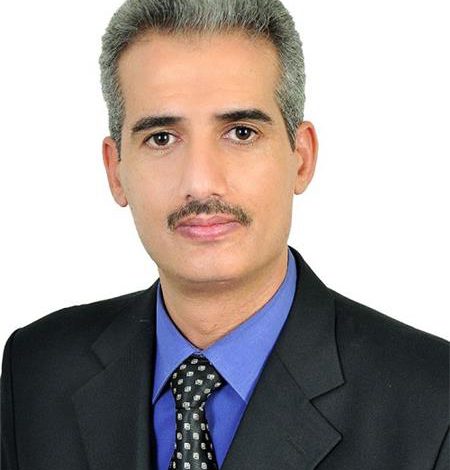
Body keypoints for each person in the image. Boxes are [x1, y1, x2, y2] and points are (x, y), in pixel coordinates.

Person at [1, 0, 448, 468]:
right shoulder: (35, 371)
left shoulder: (435, 403)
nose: (200, 182)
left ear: (301, 157)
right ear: (116, 171)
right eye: (161, 138)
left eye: (241, 133)